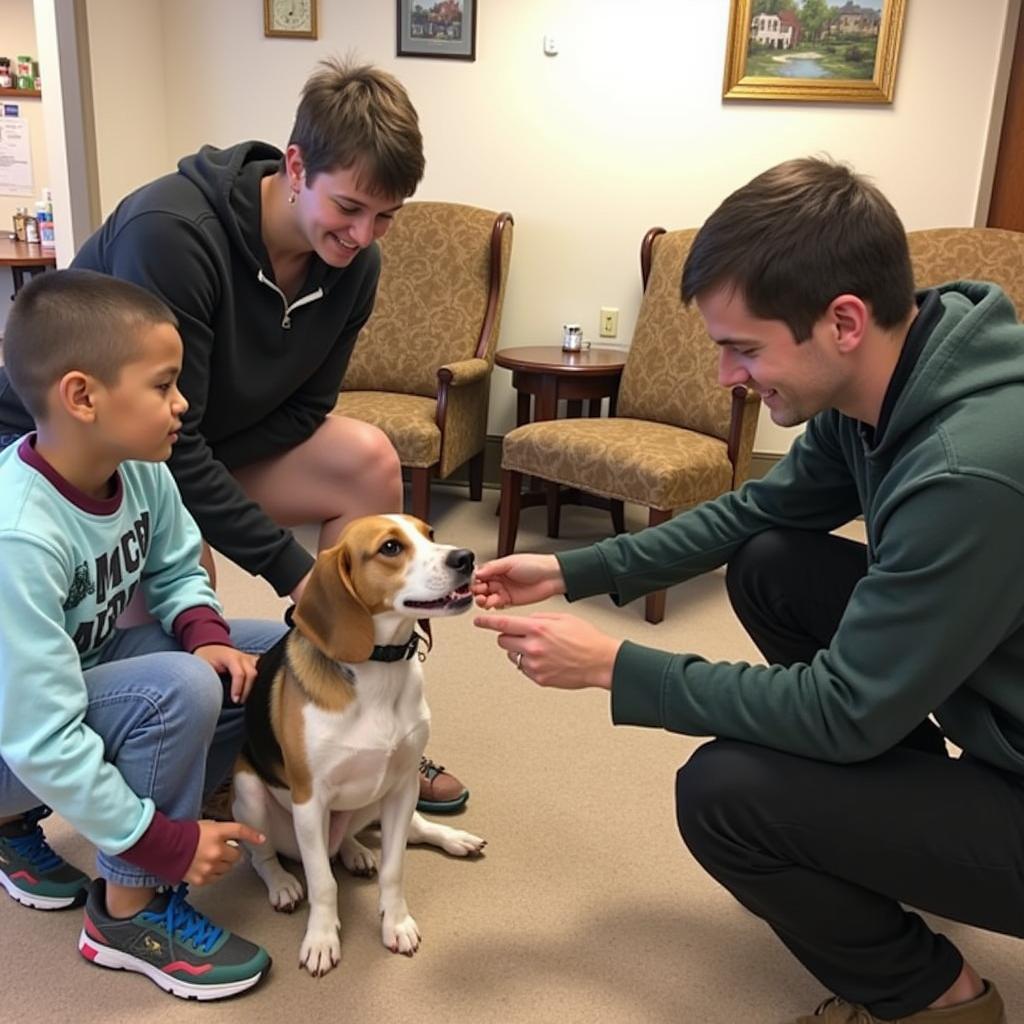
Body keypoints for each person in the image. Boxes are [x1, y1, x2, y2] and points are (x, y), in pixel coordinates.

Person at [472, 157, 1021, 1024]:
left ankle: (937, 1000)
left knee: (723, 798)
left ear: (842, 320)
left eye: (743, 347)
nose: (727, 376)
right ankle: (884, 840)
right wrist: (574, 569)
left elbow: (843, 709)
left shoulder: (968, 471)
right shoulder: (893, 373)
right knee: (774, 560)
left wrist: (618, 667)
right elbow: (756, 511)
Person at [0, 58, 466, 813]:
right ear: (294, 167)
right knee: (182, 576)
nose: (363, 235)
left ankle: (358, 720)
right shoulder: (173, 233)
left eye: (384, 217)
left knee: (367, 459)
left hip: (196, 437)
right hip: (89, 453)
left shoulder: (358, 261)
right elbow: (159, 439)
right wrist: (296, 573)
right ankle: (172, 773)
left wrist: (210, 472)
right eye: (348, 207)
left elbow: (309, 409)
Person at [0, 270, 286, 999]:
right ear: (83, 396)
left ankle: (175, 804)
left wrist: (204, 630)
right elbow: (37, 733)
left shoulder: (138, 467)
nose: (182, 404)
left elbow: (175, 565)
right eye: (163, 386)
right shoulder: (20, 538)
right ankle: (126, 912)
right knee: (179, 691)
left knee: (265, 656)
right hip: (17, 733)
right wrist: (165, 844)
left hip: (69, 679)